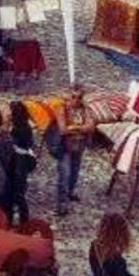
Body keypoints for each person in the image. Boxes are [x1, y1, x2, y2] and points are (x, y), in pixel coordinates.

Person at [53, 84, 96, 216]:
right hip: (65, 147)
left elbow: (91, 127)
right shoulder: (62, 109)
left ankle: (70, 193)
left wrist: (73, 127)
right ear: (68, 96)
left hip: (79, 146)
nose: (76, 100)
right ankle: (62, 204)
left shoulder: (85, 109)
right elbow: (62, 129)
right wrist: (80, 128)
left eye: (79, 97)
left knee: (75, 172)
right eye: (73, 96)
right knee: (64, 174)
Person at [6, 100, 37, 226]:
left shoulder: (19, 128)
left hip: (19, 160)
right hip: (24, 158)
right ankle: (23, 219)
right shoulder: (26, 126)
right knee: (19, 192)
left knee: (16, 193)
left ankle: (17, 220)